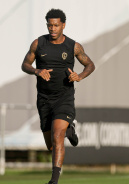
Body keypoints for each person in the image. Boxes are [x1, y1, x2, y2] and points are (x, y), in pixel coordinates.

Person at [21, 9, 95, 184]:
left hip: (64, 98)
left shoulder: (73, 46)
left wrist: (79, 76)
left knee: (57, 134)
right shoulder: (38, 43)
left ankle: (54, 180)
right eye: (49, 25)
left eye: (55, 25)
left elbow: (90, 64)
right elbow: (25, 64)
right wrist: (37, 70)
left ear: (63, 25)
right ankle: (69, 130)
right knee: (51, 145)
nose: (52, 28)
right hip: (44, 99)